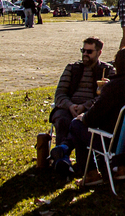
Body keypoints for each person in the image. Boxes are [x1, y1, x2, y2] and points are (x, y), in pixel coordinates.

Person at [67, 47, 125, 186]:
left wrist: (83, 116)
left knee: (76, 124)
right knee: (120, 124)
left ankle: (91, 173)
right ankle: (121, 168)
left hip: (116, 143)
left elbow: (93, 117)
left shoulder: (115, 86)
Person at [48, 37, 115, 176]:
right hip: (68, 107)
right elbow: (60, 93)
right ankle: (62, 161)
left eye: (89, 51)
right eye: (83, 50)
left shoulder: (106, 71)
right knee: (62, 120)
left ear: (99, 52)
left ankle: (76, 160)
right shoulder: (72, 68)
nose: (85, 54)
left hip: (91, 109)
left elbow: (105, 98)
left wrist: (85, 106)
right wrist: (70, 106)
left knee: (83, 123)